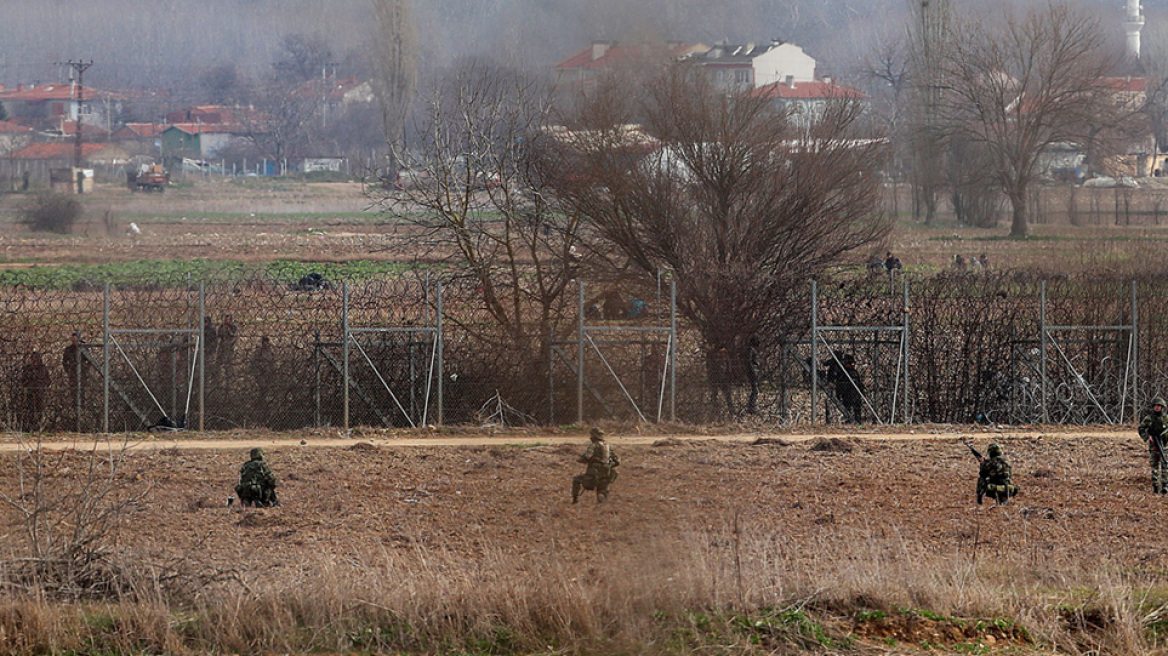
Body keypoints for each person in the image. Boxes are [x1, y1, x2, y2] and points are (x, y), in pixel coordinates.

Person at [572, 428, 620, 504]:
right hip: (606, 474)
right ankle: (602, 499)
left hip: (593, 474)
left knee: (576, 479)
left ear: (594, 436)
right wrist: (607, 464)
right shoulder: (609, 447)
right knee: (602, 488)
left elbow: (587, 457)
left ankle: (575, 500)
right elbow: (617, 461)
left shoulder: (593, 446)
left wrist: (581, 459)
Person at [822, 353, 863, 423]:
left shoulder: (851, 372)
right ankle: (851, 419)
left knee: (855, 406)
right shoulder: (839, 368)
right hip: (847, 392)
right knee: (849, 406)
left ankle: (855, 420)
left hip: (851, 391)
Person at [17, 351, 52, 431]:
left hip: (40, 391)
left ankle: (38, 426)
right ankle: (30, 427)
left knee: (39, 409)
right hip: (30, 391)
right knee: (30, 409)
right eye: (32, 358)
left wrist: (42, 386)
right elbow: (23, 380)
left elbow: (48, 380)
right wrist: (28, 385)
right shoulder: (27, 368)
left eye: (36, 358)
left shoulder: (42, 368)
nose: (34, 360)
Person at [1139, 397, 1168, 494]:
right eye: (1155, 406)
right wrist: (1148, 436)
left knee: (1165, 466)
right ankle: (1155, 487)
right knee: (1154, 467)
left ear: (1162, 407)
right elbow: (1141, 429)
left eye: (1159, 406)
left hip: (1165, 446)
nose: (1157, 408)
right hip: (1154, 447)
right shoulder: (1149, 419)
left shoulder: (1166, 418)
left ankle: (1165, 486)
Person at [745, 335, 760, 415]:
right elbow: (749, 362)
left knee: (755, 390)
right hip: (752, 372)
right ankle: (751, 407)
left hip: (754, 371)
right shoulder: (751, 349)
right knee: (755, 390)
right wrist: (753, 372)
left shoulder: (753, 349)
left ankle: (752, 407)